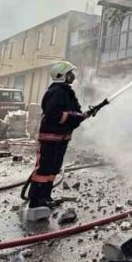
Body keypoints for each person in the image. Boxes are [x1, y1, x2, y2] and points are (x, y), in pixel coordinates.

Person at [25, 61, 96, 208]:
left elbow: (75, 111)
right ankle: (36, 200)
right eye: (70, 73)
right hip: (50, 138)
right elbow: (53, 114)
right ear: (62, 75)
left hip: (61, 138)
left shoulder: (67, 92)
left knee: (53, 168)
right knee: (44, 169)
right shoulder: (56, 92)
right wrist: (74, 117)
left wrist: (83, 115)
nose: (73, 76)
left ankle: (45, 196)